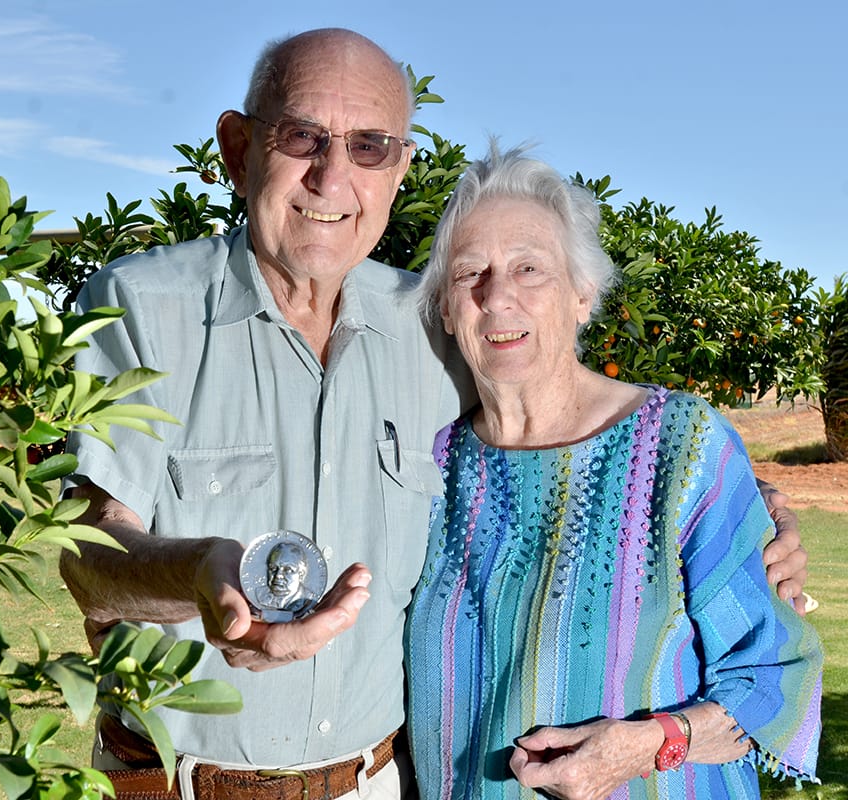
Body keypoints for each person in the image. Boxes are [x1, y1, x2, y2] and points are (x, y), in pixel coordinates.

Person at [58, 28, 810, 800]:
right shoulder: (140, 309)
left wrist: (750, 513)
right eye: (302, 136)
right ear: (239, 149)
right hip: (189, 784)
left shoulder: (422, 327)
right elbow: (86, 550)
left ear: (401, 167)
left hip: (383, 781)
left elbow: (582, 420)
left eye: (370, 146)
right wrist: (191, 574)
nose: (331, 176)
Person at [405, 144, 822, 799]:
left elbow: (773, 670)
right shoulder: (427, 467)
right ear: (446, 308)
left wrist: (651, 745)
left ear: (582, 293)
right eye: (469, 273)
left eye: (529, 267)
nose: (498, 296)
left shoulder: (678, 446)